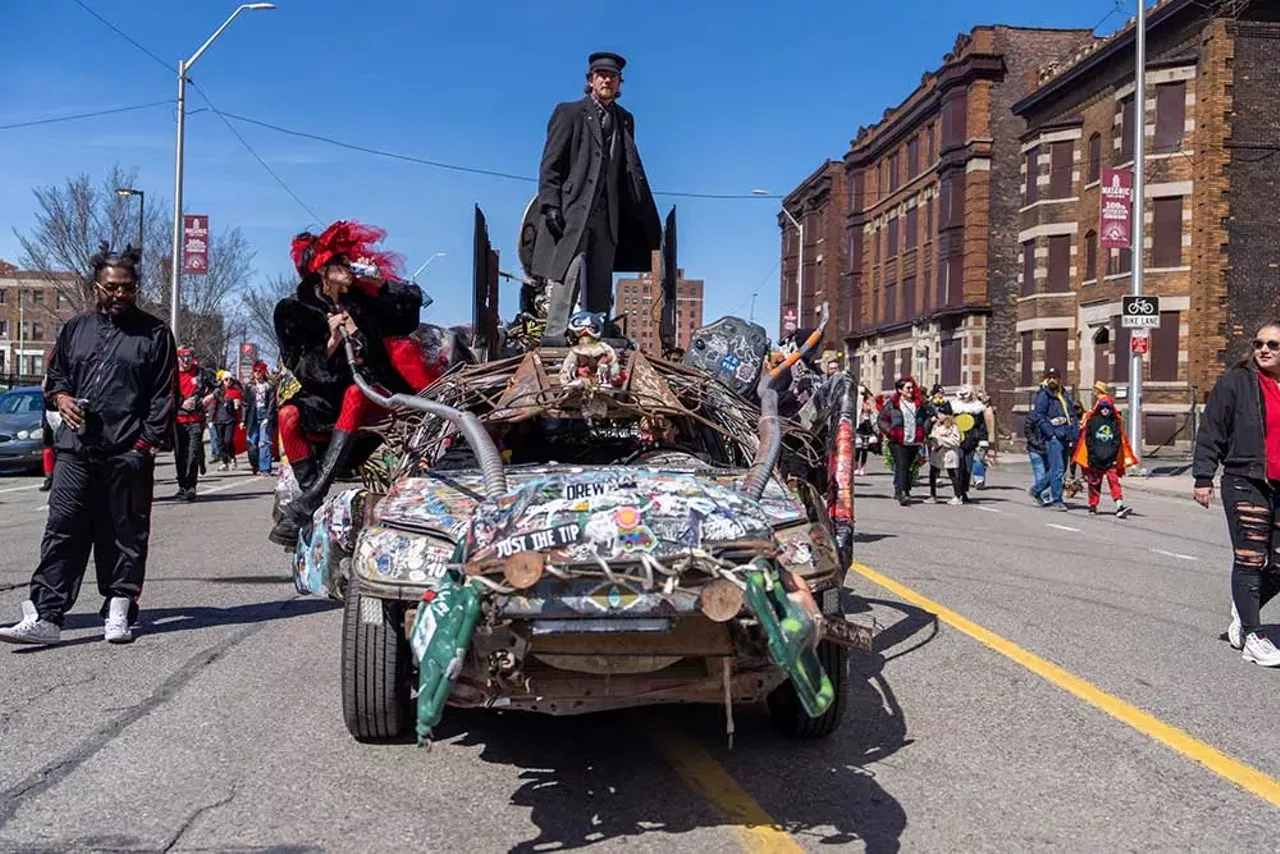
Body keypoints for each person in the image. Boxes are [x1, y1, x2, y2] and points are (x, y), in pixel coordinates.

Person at [0, 243, 176, 646]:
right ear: (96, 285)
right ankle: (47, 615)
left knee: (124, 532)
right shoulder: (76, 328)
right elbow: (56, 378)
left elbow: (165, 396)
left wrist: (145, 445)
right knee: (62, 529)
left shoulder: (154, 333)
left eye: (128, 288)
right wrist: (61, 398)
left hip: (128, 452)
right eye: (112, 287)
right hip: (75, 450)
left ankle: (119, 610)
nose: (120, 295)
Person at [270, 220, 437, 548]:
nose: (349, 267)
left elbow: (409, 313)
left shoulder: (362, 299)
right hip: (326, 399)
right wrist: (331, 341)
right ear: (322, 270)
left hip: (376, 395)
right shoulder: (292, 310)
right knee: (288, 415)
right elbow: (300, 366)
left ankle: (309, 501)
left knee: (355, 392)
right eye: (341, 263)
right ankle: (311, 497)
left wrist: (381, 284)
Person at [531, 51, 661, 341]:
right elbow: (551, 164)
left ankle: (597, 332)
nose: (607, 80)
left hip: (608, 212)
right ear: (590, 80)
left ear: (619, 83)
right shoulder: (569, 113)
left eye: (612, 76)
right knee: (570, 270)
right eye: (601, 75)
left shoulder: (624, 119)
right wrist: (550, 204)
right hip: (574, 211)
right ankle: (555, 333)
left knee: (602, 276)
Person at [1193, 321, 1280, 667]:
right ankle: (1253, 637)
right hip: (1246, 480)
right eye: (1259, 343)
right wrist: (1203, 477)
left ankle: (1244, 607)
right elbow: (1211, 429)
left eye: (1273, 345)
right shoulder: (1235, 384)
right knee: (1249, 557)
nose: (1264, 349)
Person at [1072, 394, 1136, 517]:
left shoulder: (1115, 423)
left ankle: (1119, 506)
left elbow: (1117, 441)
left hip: (1110, 459)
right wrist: (1093, 455)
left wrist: (1111, 455)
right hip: (1095, 459)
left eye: (1108, 407)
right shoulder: (1092, 421)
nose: (1105, 409)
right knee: (1094, 483)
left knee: (1114, 481)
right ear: (1099, 408)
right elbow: (1088, 441)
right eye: (1102, 407)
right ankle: (1093, 505)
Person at [1028, 367, 1078, 510]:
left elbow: (1072, 415)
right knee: (1058, 469)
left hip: (1065, 434)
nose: (1052, 380)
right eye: (1049, 377)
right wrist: (1050, 432)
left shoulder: (1064, 394)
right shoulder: (1044, 395)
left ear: (1059, 379)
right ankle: (1057, 499)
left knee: (1059, 470)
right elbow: (1039, 416)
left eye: (1054, 377)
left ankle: (1037, 490)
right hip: (1054, 437)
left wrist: (1074, 434)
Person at [878, 376, 928, 506]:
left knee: (909, 466)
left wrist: (924, 431)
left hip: (914, 440)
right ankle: (902, 493)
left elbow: (926, 418)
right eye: (908, 388)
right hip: (897, 440)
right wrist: (890, 432)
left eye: (912, 387)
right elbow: (881, 420)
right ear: (900, 390)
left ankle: (904, 489)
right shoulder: (893, 404)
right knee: (902, 465)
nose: (911, 390)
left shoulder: (918, 404)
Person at [173, 346, 214, 501]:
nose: (186, 361)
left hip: (196, 421)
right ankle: (182, 486)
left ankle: (191, 486)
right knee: (180, 455)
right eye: (183, 357)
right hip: (178, 420)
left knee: (193, 453)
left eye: (189, 357)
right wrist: (181, 403)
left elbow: (218, 388)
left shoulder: (201, 373)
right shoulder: (172, 374)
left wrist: (209, 398)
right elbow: (165, 395)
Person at [243, 361, 277, 477]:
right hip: (252, 415)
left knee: (264, 442)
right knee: (251, 443)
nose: (257, 373)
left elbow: (272, 404)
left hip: (264, 414)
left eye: (259, 371)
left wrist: (268, 417)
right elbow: (245, 404)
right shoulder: (249, 386)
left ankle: (265, 469)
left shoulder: (270, 387)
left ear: (263, 372)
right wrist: (243, 420)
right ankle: (255, 465)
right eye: (255, 371)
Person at [928, 409, 962, 505]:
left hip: (949, 453)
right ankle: (933, 495)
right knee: (933, 473)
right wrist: (933, 440)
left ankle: (957, 496)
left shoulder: (953, 427)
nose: (939, 416)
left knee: (952, 474)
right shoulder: (936, 426)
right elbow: (932, 437)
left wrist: (941, 439)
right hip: (937, 452)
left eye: (941, 414)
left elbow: (956, 441)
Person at [211, 371, 242, 471]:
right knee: (220, 442)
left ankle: (232, 457)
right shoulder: (218, 391)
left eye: (230, 379)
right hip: (219, 419)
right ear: (222, 381)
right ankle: (224, 462)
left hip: (230, 419)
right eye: (226, 379)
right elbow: (213, 405)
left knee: (228, 440)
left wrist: (240, 419)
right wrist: (210, 419)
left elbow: (240, 407)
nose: (228, 381)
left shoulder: (236, 391)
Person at [855, 385, 877, 476]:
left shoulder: (869, 400)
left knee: (865, 448)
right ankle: (856, 466)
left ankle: (862, 466)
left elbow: (873, 411)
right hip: (859, 424)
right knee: (857, 447)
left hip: (867, 425)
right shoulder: (856, 400)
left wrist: (869, 406)